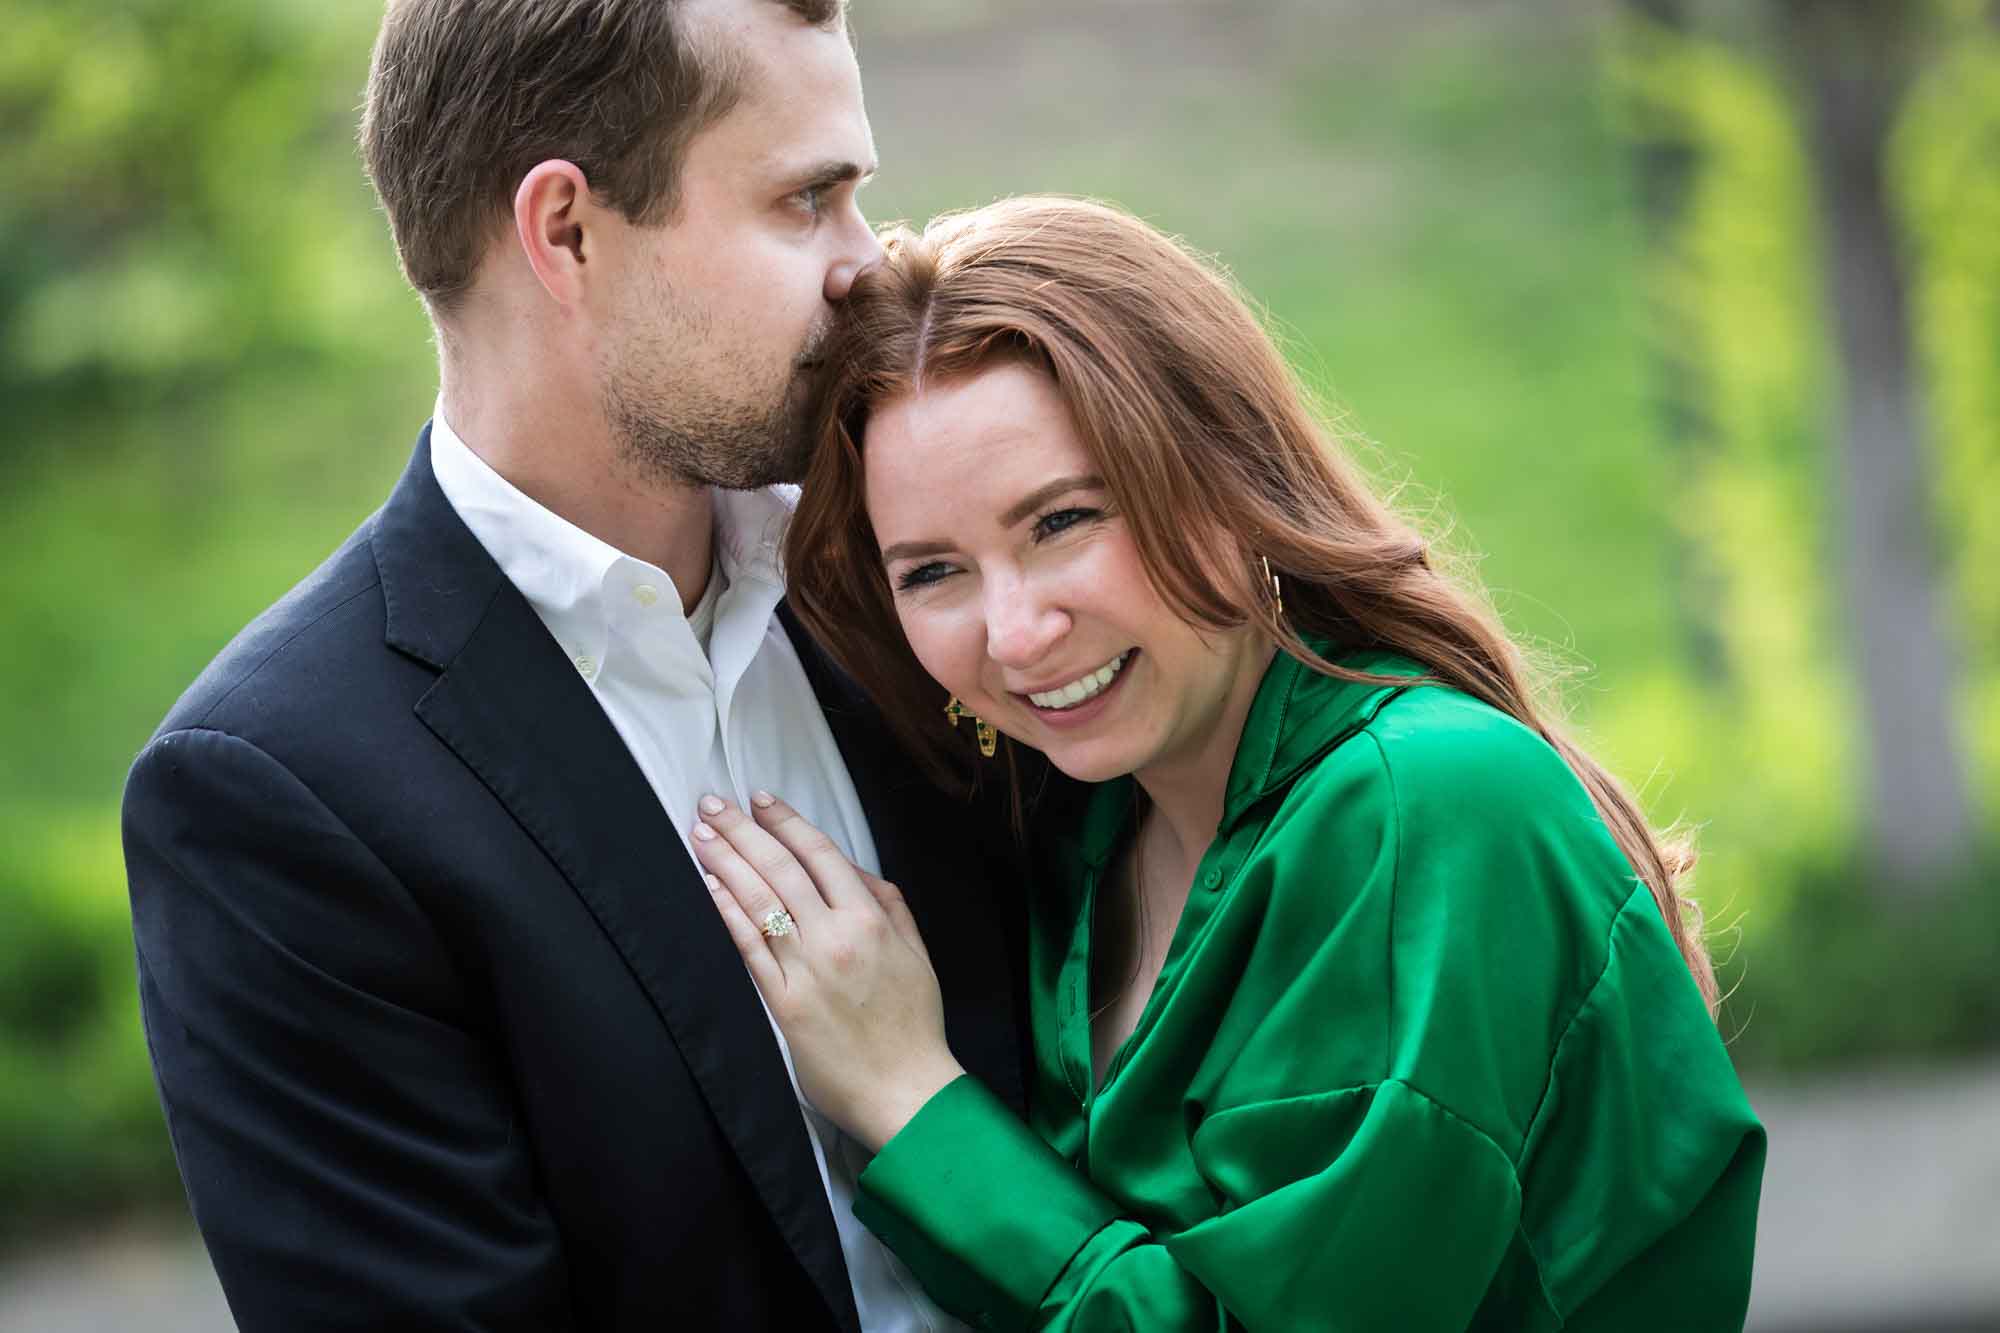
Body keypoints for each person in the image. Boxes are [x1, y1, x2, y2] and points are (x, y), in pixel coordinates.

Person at [689, 196, 1767, 1331]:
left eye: (1061, 522)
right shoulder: (1086, 828)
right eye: (933, 572)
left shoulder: (1425, 808)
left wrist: (909, 1098)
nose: (1011, 634)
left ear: (1223, 471)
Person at [119, 1, 1024, 1328]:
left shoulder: (928, 581)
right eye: (806, 201)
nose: (867, 264)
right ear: (568, 232)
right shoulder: (276, 796)